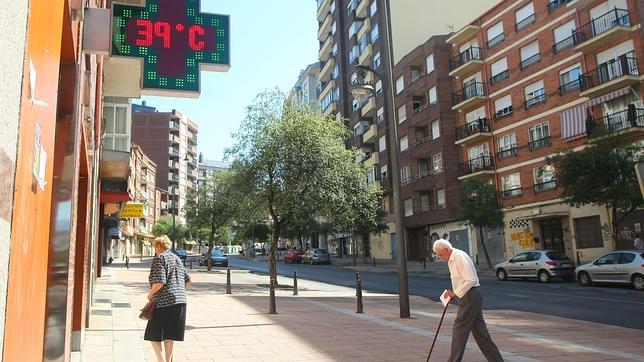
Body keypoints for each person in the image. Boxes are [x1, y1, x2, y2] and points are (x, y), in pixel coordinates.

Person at [433, 239, 503, 362]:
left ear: (447, 250)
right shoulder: (453, 258)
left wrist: (454, 293)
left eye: (440, 254)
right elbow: (462, 280)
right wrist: (454, 292)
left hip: (471, 294)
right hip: (470, 295)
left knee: (459, 328)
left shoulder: (459, 257)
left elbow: (470, 280)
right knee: (480, 333)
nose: (439, 257)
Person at [145, 235, 191, 362]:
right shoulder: (177, 258)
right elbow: (188, 281)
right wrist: (177, 290)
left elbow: (160, 282)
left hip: (164, 302)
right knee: (169, 336)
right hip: (180, 301)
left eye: (155, 246)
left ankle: (160, 361)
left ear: (159, 246)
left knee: (153, 334)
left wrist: (150, 294)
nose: (155, 249)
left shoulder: (160, 258)